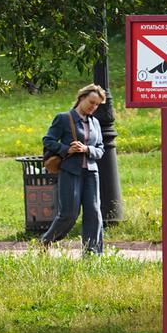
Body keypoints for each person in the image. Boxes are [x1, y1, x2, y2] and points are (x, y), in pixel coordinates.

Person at [41, 83, 106, 256]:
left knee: (94, 212)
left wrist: (87, 149)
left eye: (97, 104)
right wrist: (66, 149)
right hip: (70, 171)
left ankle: (92, 254)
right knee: (69, 213)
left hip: (91, 172)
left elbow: (100, 149)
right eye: (91, 102)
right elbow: (48, 140)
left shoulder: (96, 123)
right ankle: (46, 241)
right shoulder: (63, 118)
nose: (94, 107)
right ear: (81, 98)